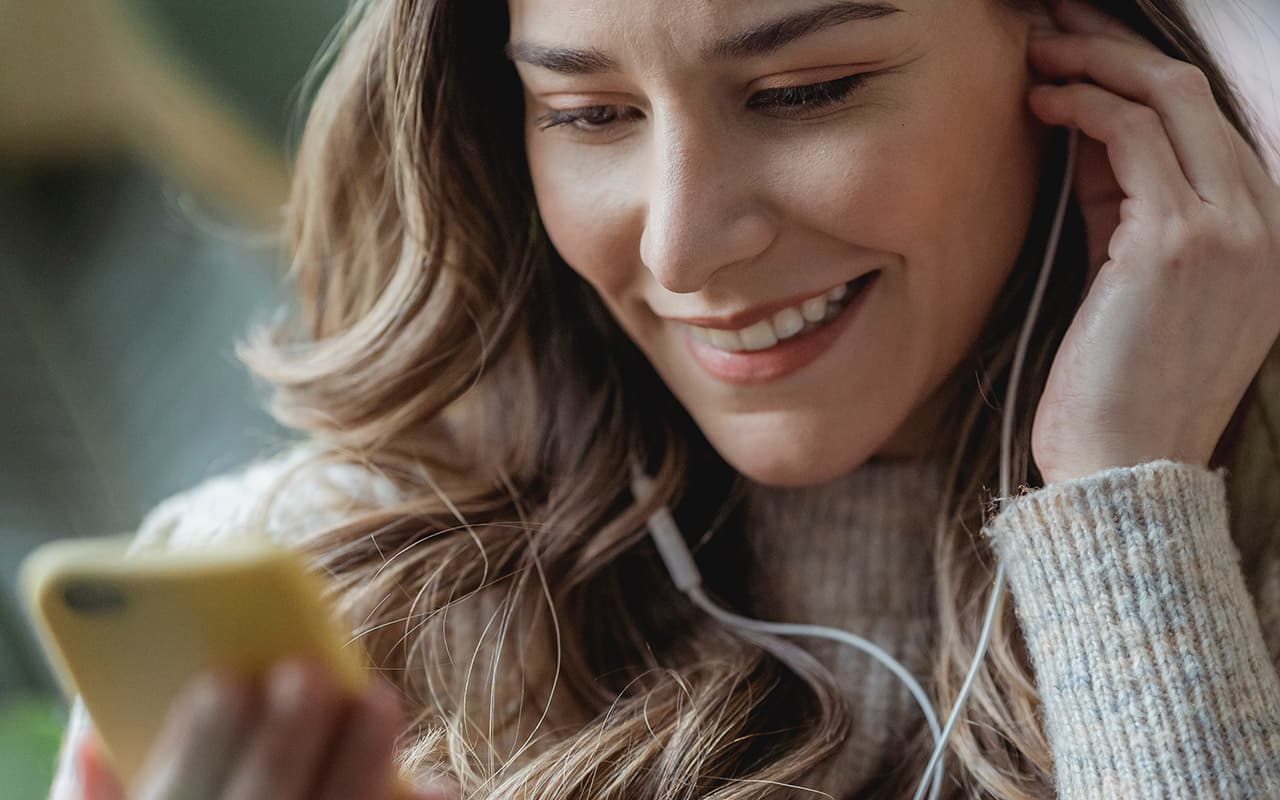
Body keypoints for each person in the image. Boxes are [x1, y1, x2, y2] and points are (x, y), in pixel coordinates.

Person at [49, 0, 1280, 797]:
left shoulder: (1231, 578)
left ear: (1077, 60)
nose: (683, 247)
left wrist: (1126, 507)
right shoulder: (314, 595)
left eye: (802, 93)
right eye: (588, 115)